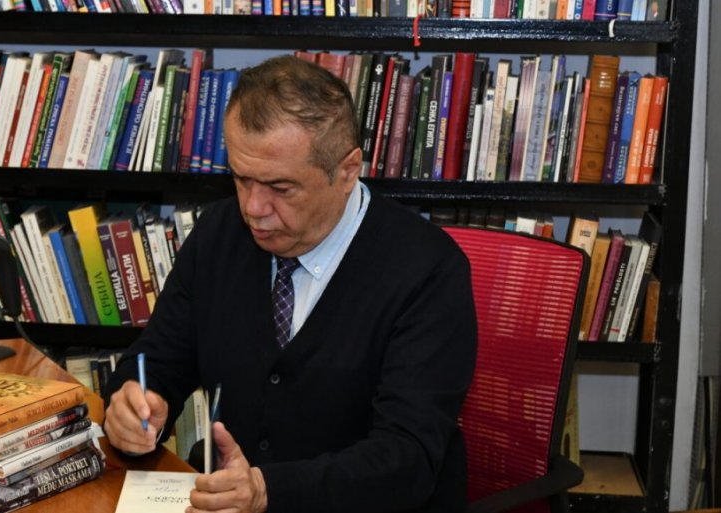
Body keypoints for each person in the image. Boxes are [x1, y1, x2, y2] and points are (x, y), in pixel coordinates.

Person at [104, 55, 477, 513]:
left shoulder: (428, 271)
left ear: (347, 171)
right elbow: (160, 357)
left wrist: (268, 491)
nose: (253, 208)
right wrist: (137, 403)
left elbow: (407, 459)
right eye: (241, 179)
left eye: (280, 188)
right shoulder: (220, 234)